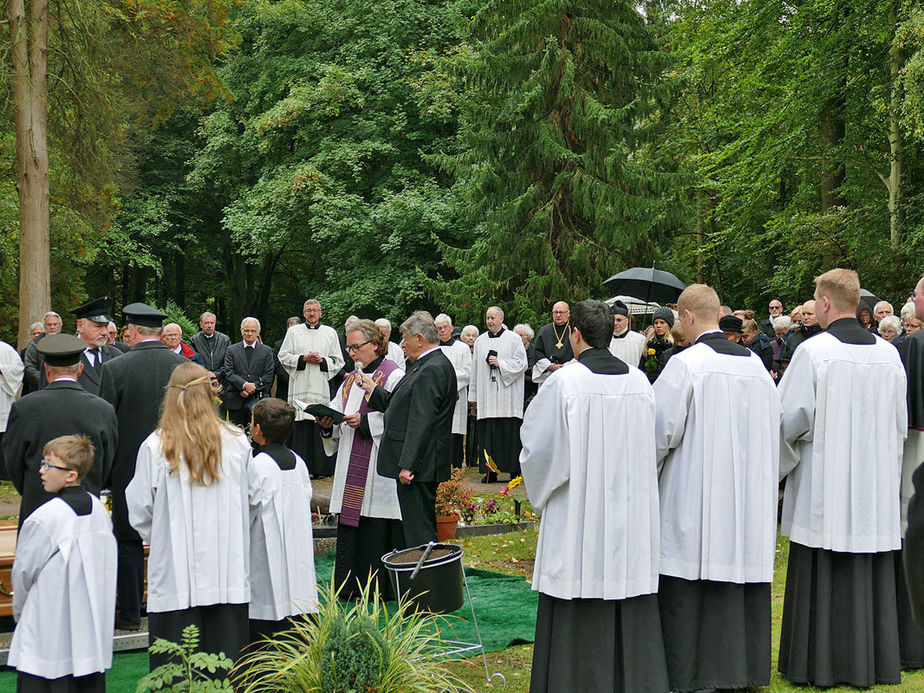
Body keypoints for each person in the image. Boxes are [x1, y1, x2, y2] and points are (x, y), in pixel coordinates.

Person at [521, 300, 668, 693]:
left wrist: (542, 492)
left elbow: (538, 450)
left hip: (579, 509)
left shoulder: (565, 383)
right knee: (626, 576)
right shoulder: (640, 383)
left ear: (576, 335)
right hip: (630, 506)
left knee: (578, 571)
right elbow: (654, 446)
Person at [778, 268, 906, 687]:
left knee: (823, 560)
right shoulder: (890, 356)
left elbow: (789, 421)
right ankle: (873, 661)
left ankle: (817, 664)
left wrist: (776, 470)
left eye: (814, 299)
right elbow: (899, 424)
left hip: (824, 487)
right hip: (874, 488)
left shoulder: (813, 353)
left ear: (826, 303)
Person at [653, 284, 780, 692]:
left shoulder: (686, 364)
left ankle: (691, 673)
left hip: (695, 492)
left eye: (677, 317)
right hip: (747, 497)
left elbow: (658, 433)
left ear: (688, 316)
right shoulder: (757, 368)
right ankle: (742, 671)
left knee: (693, 566)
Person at [127, 363, 254, 673]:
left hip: (175, 572)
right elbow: (252, 500)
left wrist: (163, 538)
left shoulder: (155, 446)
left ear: (170, 397)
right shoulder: (236, 442)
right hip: (227, 569)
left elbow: (140, 509)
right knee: (227, 669)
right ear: (210, 394)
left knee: (175, 672)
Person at [98, 303, 186, 631]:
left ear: (132, 332)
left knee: (128, 537)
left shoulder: (115, 369)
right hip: (178, 463)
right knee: (175, 533)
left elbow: (106, 424)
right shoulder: (183, 367)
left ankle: (130, 614)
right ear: (162, 333)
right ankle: (176, 612)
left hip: (128, 466)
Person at [8, 435, 117, 693]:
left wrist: (21, 615)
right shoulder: (99, 510)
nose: (41, 471)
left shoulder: (45, 518)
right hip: (89, 629)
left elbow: (23, 573)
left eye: (48, 465)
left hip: (46, 626)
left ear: (71, 475)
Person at [319, 320, 405, 598]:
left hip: (378, 469)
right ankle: (350, 586)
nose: (352, 353)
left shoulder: (393, 376)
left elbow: (402, 419)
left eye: (356, 347)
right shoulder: (348, 380)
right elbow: (336, 410)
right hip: (350, 462)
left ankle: (380, 589)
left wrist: (367, 422)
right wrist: (325, 422)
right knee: (352, 523)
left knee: (375, 526)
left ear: (376, 345)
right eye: (349, 348)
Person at [359, 311, 456, 547]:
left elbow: (421, 420)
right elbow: (403, 405)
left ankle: (424, 579)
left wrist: (408, 464)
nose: (402, 345)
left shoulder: (432, 368)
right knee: (415, 526)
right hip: (422, 463)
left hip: (420, 466)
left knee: (418, 530)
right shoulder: (424, 365)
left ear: (420, 339)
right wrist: (374, 390)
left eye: (405, 339)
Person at [4, 334, 117, 526]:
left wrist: (33, 488)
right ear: (80, 369)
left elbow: (13, 461)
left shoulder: (24, 408)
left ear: (46, 370)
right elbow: (107, 461)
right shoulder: (103, 410)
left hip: (38, 504)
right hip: (85, 509)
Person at [248, 398, 317, 640]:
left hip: (263, 552)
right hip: (298, 550)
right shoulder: (300, 463)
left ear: (257, 429)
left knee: (267, 592)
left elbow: (247, 509)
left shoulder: (256, 466)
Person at [277, 299, 344, 477]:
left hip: (320, 386)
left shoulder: (330, 333)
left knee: (318, 423)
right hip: (299, 383)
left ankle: (320, 469)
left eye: (315, 310)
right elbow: (283, 356)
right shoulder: (293, 332)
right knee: (300, 427)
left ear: (320, 312)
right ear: (303, 313)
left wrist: (322, 360)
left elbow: (338, 360)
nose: (312, 314)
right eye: (308, 311)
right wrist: (302, 358)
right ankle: (301, 468)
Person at [469, 306, 527, 483]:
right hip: (487, 397)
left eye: (493, 318)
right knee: (488, 437)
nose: (490, 321)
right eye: (487, 318)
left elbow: (521, 363)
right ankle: (490, 472)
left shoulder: (514, 339)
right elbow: (475, 369)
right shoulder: (480, 341)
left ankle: (514, 471)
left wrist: (500, 363)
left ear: (502, 319)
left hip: (507, 397)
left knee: (510, 435)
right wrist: (474, 396)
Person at [222, 317, 275, 429]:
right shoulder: (231, 350)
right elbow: (228, 372)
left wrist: (253, 387)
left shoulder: (266, 351)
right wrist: (244, 385)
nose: (249, 334)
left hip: (258, 401)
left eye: (253, 331)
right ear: (241, 331)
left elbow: (269, 375)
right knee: (236, 436)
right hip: (236, 401)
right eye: (246, 330)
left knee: (258, 436)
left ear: (258, 332)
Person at [436, 314, 471, 469]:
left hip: (456, 395)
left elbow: (467, 372)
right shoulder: (433, 348)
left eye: (445, 327)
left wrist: (447, 380)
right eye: (439, 328)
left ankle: (456, 466)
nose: (443, 331)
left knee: (455, 432)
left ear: (451, 328)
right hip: (436, 396)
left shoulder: (462, 348)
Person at [71, 296, 124, 396]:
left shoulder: (117, 356)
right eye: (98, 326)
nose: (105, 332)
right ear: (80, 326)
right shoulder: (63, 354)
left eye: (106, 326)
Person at [531, 301, 573, 386]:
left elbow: (580, 350)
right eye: (555, 312)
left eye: (561, 312)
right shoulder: (544, 331)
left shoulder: (574, 330)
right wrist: (549, 366)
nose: (558, 315)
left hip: (570, 373)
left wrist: (566, 367)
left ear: (568, 313)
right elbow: (537, 352)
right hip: (549, 374)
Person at [0, 337, 23, 480]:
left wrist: (2, 369)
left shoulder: (5, 349)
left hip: (2, 398)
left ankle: (3, 473)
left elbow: (18, 368)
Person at [190, 311, 231, 389]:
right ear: (201, 324)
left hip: (222, 381)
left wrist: (216, 374)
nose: (209, 326)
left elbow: (229, 361)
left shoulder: (225, 340)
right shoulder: (194, 340)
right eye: (206, 323)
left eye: (212, 323)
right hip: (201, 381)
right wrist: (205, 373)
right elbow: (193, 361)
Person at [22, 311, 62, 391]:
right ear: (44, 326)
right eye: (49, 324)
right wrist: (45, 380)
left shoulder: (66, 343)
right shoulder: (35, 344)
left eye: (55, 324)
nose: (52, 327)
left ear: (59, 326)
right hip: (40, 389)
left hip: (62, 387)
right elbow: (29, 366)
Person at [779, 299, 821, 370]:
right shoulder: (794, 336)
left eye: (810, 314)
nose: (806, 317)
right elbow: (785, 362)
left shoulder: (827, 335)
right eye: (804, 314)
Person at [639, 306, 674, 383]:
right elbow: (641, 367)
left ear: (669, 324)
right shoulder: (649, 343)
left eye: (662, 322)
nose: (658, 326)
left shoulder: (673, 345)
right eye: (656, 323)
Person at [608, 300, 646, 366]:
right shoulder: (606, 339)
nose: (615, 323)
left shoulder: (640, 340)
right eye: (613, 320)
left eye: (619, 320)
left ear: (627, 321)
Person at [273, 317, 301, 402]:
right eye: (291, 328)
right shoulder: (279, 345)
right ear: (287, 329)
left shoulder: (306, 345)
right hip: (285, 388)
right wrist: (291, 380)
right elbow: (278, 367)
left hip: (302, 386)